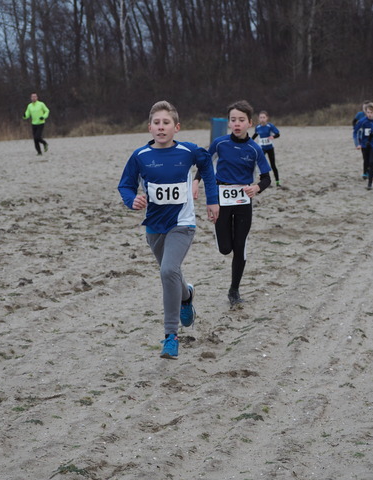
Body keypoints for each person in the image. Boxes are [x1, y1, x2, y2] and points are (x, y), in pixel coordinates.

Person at [118, 101, 220, 360]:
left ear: (176, 127)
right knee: (172, 273)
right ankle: (187, 296)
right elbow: (126, 185)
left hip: (182, 224)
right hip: (154, 227)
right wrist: (132, 200)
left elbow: (207, 166)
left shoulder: (189, 151)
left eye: (166, 123)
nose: (161, 127)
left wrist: (211, 199)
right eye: (156, 123)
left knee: (168, 271)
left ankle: (170, 337)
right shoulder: (140, 156)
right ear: (149, 127)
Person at [200, 100, 272, 306]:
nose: (237, 123)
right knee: (225, 249)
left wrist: (256, 188)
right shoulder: (220, 143)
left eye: (241, 120)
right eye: (233, 120)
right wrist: (196, 182)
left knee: (240, 247)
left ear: (250, 123)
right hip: (221, 200)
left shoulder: (255, 149)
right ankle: (225, 240)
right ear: (229, 123)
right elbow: (205, 165)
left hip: (243, 202)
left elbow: (266, 178)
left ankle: (234, 290)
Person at [252, 110, 282, 186]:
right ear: (258, 118)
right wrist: (249, 141)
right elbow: (255, 135)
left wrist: (273, 136)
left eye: (264, 117)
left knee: (273, 165)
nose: (262, 119)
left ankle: (277, 182)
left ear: (267, 118)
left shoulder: (270, 126)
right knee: (262, 164)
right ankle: (265, 182)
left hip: (270, 148)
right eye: (260, 117)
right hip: (262, 148)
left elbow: (278, 134)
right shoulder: (258, 127)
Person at [353, 102, 373, 180]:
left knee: (371, 160)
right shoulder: (362, 121)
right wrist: (357, 144)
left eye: (371, 112)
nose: (369, 114)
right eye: (368, 112)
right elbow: (355, 132)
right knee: (365, 159)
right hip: (364, 143)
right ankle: (365, 172)